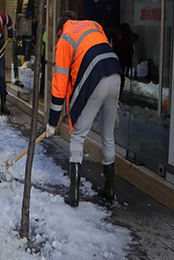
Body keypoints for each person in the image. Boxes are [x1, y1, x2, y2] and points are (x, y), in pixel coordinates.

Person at [46, 11, 122, 206]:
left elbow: (59, 85)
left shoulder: (65, 39)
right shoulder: (93, 25)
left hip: (96, 78)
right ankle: (110, 188)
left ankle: (73, 193)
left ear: (61, 28)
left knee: (78, 135)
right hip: (115, 74)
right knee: (108, 135)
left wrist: (52, 123)